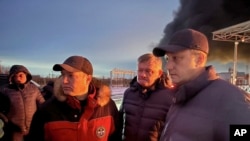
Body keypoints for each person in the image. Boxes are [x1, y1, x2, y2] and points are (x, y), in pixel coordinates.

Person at [153, 28, 250, 141]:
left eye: (176, 58)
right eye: (167, 58)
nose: (168, 66)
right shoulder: (181, 96)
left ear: (199, 59)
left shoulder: (232, 101)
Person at [26, 55, 120, 141]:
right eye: (63, 75)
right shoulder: (47, 110)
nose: (64, 81)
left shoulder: (108, 107)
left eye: (71, 75)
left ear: (88, 79)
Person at [119, 53, 174, 141]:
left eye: (148, 71)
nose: (142, 75)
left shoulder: (169, 97)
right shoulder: (129, 93)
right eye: (140, 70)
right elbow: (119, 123)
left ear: (159, 73)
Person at [0, 65, 45, 141]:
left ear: (26, 75)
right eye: (15, 76)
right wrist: (5, 119)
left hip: (33, 129)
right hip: (14, 130)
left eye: (21, 75)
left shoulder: (34, 89)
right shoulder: (5, 90)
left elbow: (43, 105)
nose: (18, 78)